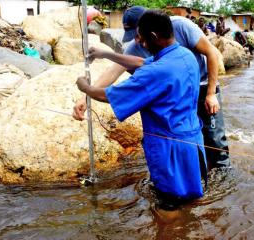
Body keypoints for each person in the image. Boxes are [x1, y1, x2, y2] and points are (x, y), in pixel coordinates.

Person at [76, 10, 207, 212]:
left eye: (143, 40)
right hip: (193, 143)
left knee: (167, 207)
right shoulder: (185, 55)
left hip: (168, 150)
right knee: (190, 201)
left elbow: (107, 95)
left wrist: (84, 87)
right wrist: (106, 53)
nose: (141, 45)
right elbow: (140, 62)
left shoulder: (154, 73)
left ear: (154, 36)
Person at [73, 6, 230, 171]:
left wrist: (211, 94)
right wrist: (85, 96)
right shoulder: (172, 52)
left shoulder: (181, 27)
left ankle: (221, 175)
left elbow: (212, 53)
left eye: (139, 35)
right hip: (176, 98)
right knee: (192, 139)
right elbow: (118, 69)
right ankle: (206, 180)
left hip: (202, 86)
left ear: (152, 31)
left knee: (215, 140)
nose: (137, 41)